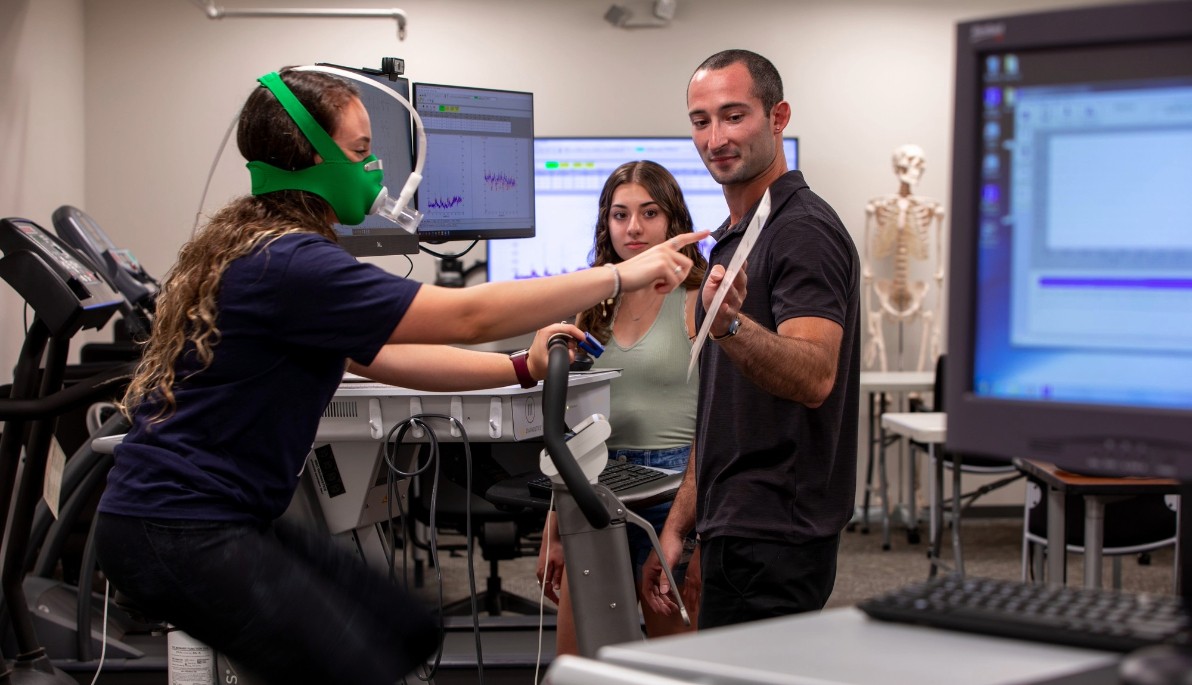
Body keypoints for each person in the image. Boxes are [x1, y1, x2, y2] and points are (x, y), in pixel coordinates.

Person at [91, 67, 704, 685]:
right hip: (175, 525)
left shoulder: (274, 248)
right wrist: (621, 274)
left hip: (211, 517)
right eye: (361, 152)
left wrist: (518, 367)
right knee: (361, 665)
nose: (376, 167)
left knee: (406, 629)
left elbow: (378, 356)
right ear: (311, 158)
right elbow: (466, 315)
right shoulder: (292, 262)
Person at [641, 49, 861, 629]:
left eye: (734, 116)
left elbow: (815, 375)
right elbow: (721, 410)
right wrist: (681, 522)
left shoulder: (802, 230)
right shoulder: (736, 236)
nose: (716, 137)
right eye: (701, 120)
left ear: (778, 117)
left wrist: (731, 326)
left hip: (776, 533)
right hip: (731, 522)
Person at [535, 160, 706, 654]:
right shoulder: (593, 301)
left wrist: (687, 525)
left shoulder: (698, 298)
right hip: (594, 487)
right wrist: (556, 528)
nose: (633, 228)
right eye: (620, 214)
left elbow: (718, 423)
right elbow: (569, 426)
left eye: (649, 213)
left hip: (675, 491)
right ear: (605, 224)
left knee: (676, 665)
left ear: (673, 220)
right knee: (577, 664)